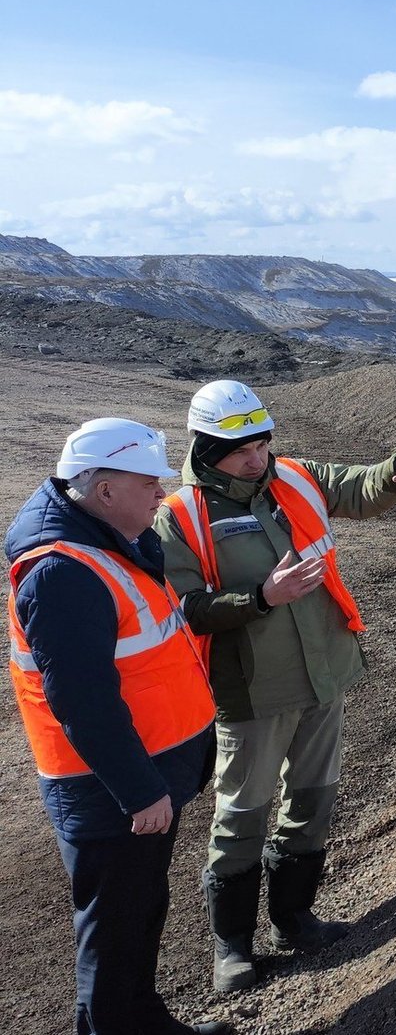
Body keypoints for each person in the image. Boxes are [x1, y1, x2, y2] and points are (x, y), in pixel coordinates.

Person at [154, 380, 396, 993]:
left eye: (262, 443)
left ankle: (294, 918)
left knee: (311, 799)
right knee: (242, 814)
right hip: (252, 692)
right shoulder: (180, 517)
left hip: (324, 673)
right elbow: (184, 607)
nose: (256, 458)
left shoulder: (293, 476)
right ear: (207, 448)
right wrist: (261, 597)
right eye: (241, 450)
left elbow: (356, 489)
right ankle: (231, 946)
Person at [7, 418, 234, 1035]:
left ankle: (146, 1021)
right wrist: (138, 789)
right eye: (148, 484)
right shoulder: (64, 574)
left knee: (138, 914)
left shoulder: (106, 542)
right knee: (112, 934)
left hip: (139, 776)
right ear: (104, 490)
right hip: (110, 789)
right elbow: (83, 702)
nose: (162, 496)